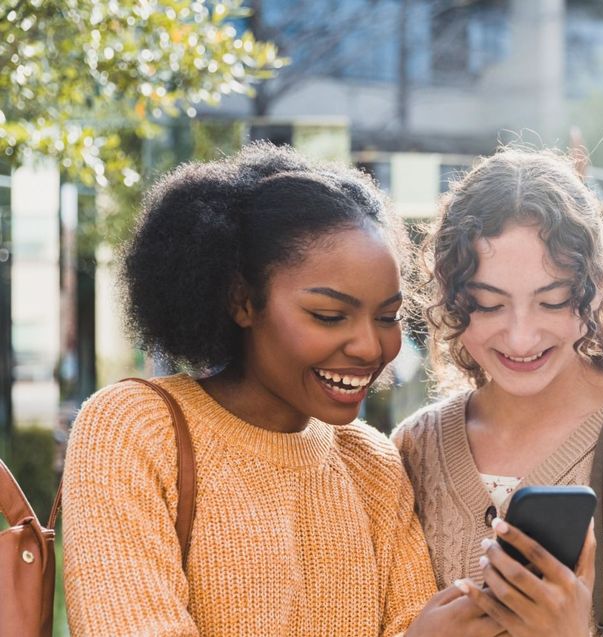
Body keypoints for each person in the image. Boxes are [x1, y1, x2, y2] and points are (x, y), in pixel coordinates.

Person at [61, 143, 507, 636]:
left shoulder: (372, 466)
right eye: (329, 316)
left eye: (387, 317)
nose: (369, 347)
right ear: (243, 301)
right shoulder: (135, 429)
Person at [393, 149, 603, 635]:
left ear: (597, 288)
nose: (520, 337)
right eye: (488, 305)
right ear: (449, 298)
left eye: (552, 301)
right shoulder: (414, 446)